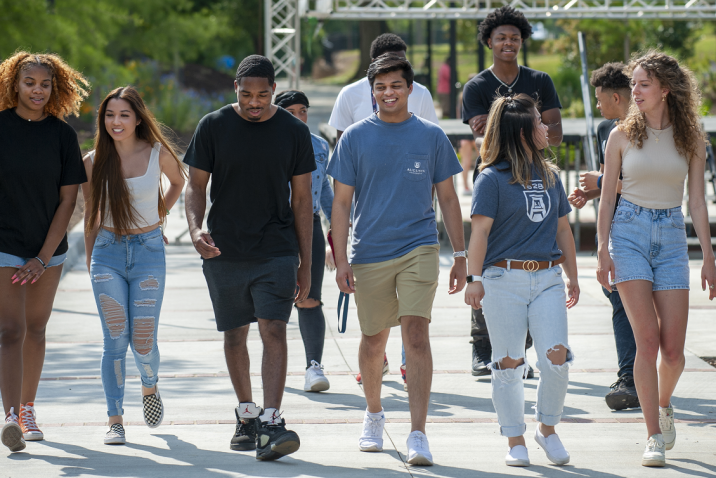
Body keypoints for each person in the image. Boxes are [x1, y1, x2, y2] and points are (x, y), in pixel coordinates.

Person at [329, 53, 466, 466]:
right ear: (371, 93)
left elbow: (447, 198)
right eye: (381, 87)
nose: (388, 93)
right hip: (368, 250)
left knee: (416, 336)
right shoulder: (353, 137)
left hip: (419, 246)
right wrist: (340, 260)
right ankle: (373, 413)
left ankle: (418, 433)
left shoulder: (430, 135)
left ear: (410, 89)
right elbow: (340, 204)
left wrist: (460, 254)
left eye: (396, 85)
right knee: (373, 342)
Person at [183, 55, 315, 461]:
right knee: (235, 333)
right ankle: (247, 416)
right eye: (245, 94)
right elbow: (195, 187)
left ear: (274, 90)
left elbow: (303, 200)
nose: (253, 102)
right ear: (235, 90)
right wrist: (194, 229)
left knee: (273, 328)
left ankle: (272, 420)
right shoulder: (213, 126)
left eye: (261, 94)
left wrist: (306, 264)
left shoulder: (293, 131)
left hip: (276, 248)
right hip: (224, 248)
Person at [596, 51, 716, 467]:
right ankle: (652, 436)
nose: (635, 91)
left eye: (643, 84)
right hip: (627, 233)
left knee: (674, 352)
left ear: (666, 89)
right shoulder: (620, 136)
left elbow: (697, 203)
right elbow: (607, 197)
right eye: (634, 84)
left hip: (670, 236)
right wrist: (601, 251)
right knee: (646, 342)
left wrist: (710, 258)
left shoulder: (692, 139)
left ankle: (664, 404)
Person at [465, 94, 578, 467]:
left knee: (556, 359)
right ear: (521, 131)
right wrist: (474, 278)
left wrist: (573, 276)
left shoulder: (550, 175)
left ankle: (547, 430)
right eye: (539, 122)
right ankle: (515, 439)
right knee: (508, 363)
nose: (547, 127)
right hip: (501, 280)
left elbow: (563, 229)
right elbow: (479, 234)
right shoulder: (490, 179)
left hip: (547, 280)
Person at [329, 33, 440, 389]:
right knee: (374, 334)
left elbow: (427, 146)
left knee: (415, 327)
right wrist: (340, 251)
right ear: (371, 75)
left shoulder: (420, 95)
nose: (391, 89)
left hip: (417, 228)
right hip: (371, 226)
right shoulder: (349, 97)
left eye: (400, 78)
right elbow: (345, 173)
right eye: (383, 81)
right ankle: (379, 374)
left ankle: (410, 361)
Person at [461, 5, 563, 378]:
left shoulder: (540, 79)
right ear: (489, 41)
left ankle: (521, 351)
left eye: (515, 37)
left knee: (528, 257)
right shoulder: (476, 86)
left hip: (533, 175)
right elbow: (481, 134)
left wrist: (501, 125)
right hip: (495, 176)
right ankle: (481, 345)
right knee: (487, 257)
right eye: (501, 37)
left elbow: (557, 131)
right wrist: (530, 125)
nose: (508, 43)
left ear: (522, 41)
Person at [82, 86, 186, 445]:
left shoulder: (157, 152)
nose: (116, 122)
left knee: (142, 343)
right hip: (107, 253)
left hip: (148, 252)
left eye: (124, 114)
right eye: (110, 115)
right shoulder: (93, 161)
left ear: (138, 118)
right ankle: (115, 419)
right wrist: (91, 258)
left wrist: (159, 214)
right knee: (115, 340)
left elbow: (178, 181)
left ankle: (149, 384)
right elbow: (92, 214)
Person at [0, 52, 89, 453]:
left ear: (56, 88)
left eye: (45, 84)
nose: (37, 90)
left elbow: (68, 202)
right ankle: (10, 417)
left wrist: (42, 256)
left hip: (48, 251)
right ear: (13, 84)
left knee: (35, 329)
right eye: (29, 82)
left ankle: (28, 409)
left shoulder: (62, 135)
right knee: (9, 331)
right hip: (3, 246)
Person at [567, 63, 639, 411]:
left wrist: (601, 182)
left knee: (631, 302)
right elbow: (612, 184)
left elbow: (649, 184)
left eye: (600, 99)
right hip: (616, 227)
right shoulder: (603, 129)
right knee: (618, 298)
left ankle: (637, 376)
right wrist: (593, 193)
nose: (597, 105)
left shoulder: (649, 129)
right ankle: (631, 377)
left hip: (648, 225)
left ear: (615, 97)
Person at [274, 90, 334, 392]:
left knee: (309, 297)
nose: (299, 117)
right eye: (291, 111)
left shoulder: (320, 146)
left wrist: (336, 236)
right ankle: (275, 367)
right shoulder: (267, 142)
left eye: (303, 111)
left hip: (309, 225)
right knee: (274, 302)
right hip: (274, 225)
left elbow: (325, 195)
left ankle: (314, 365)